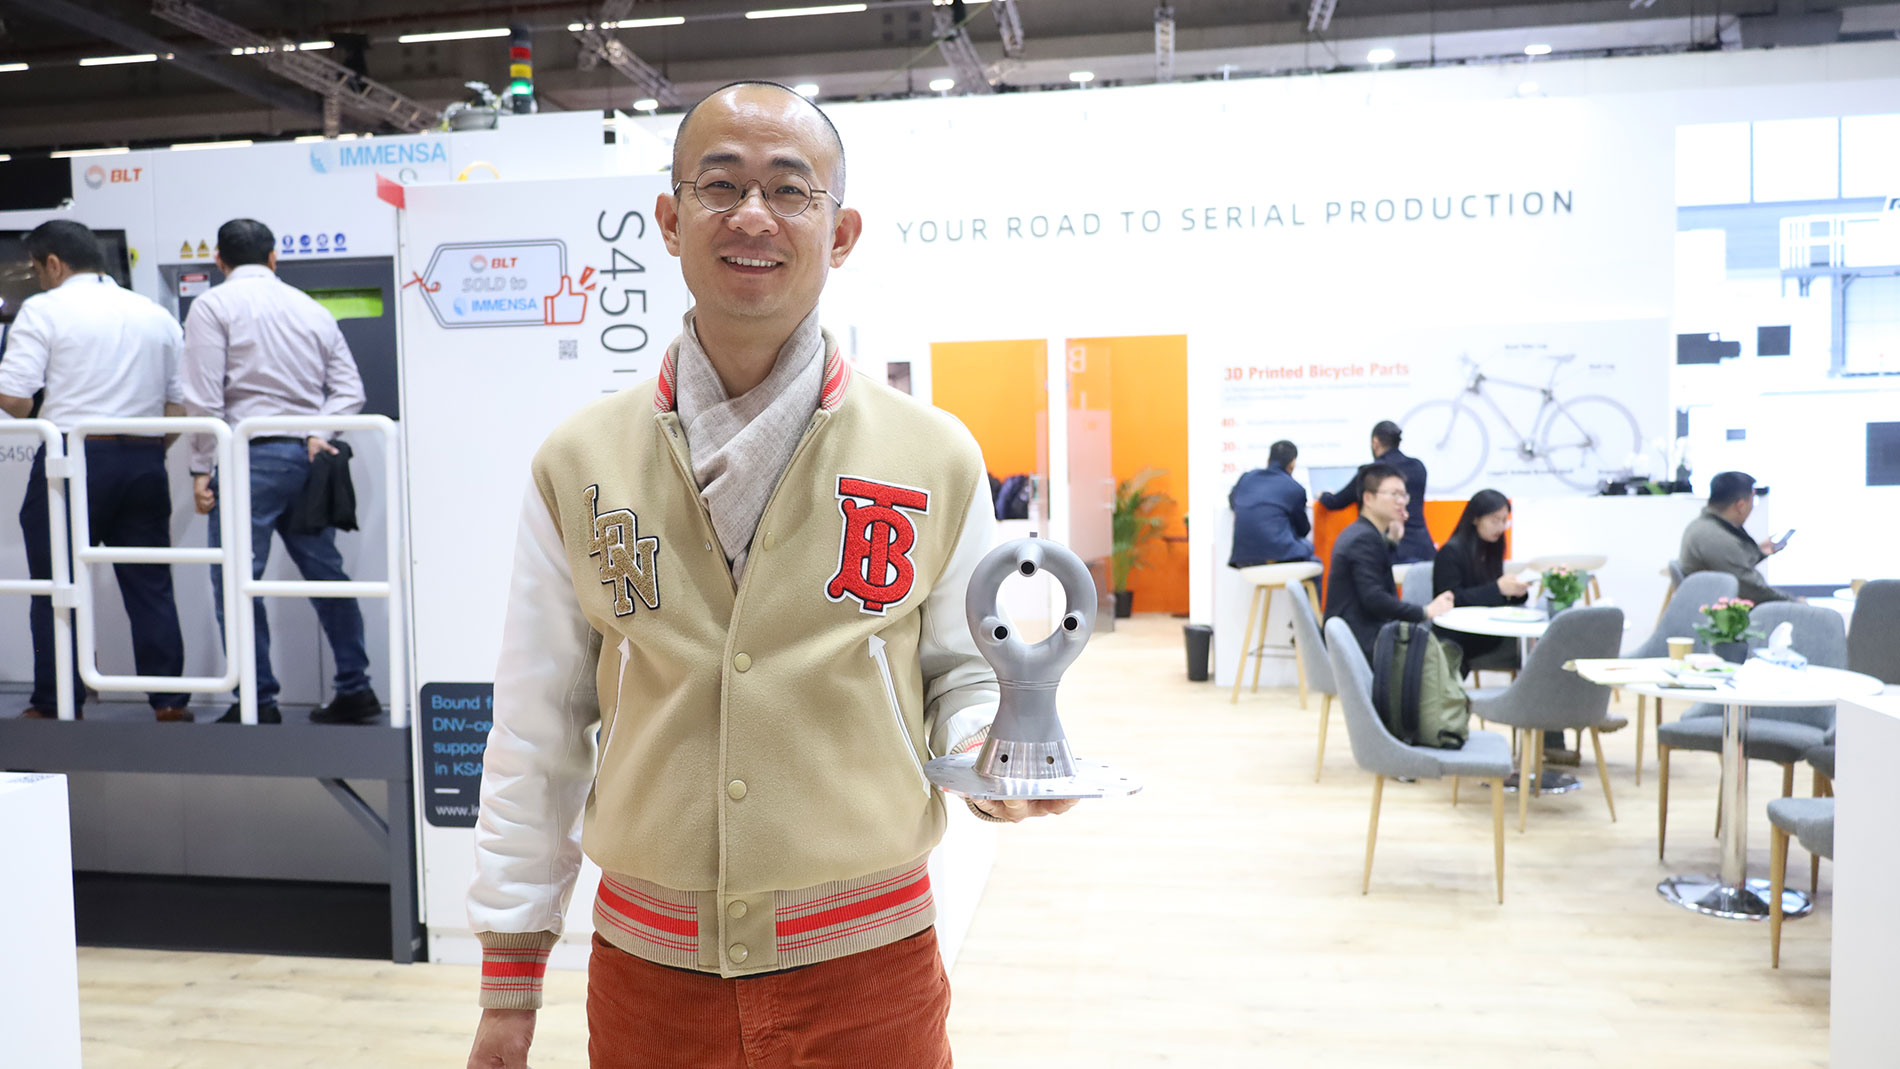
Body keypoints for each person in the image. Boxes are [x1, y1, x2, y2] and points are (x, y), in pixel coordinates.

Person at [466, 82, 1072, 1069]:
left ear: (840, 233)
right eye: (720, 185)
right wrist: (509, 982)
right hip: (649, 969)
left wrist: (988, 752)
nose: (752, 215)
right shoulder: (578, 461)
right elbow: (538, 724)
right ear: (670, 219)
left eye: (790, 190)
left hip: (869, 960)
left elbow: (965, 671)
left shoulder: (932, 453)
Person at [181, 218, 379, 725]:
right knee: (326, 576)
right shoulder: (309, 308)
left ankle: (257, 699)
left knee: (237, 580)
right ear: (274, 258)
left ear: (220, 261)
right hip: (309, 461)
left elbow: (203, 399)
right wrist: (321, 432)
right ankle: (356, 688)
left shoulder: (213, 305)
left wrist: (200, 469)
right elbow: (350, 391)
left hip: (249, 459)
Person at [0, 221, 190, 722]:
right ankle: (170, 703)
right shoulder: (153, 312)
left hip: (71, 460)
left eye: (37, 269)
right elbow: (178, 406)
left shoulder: (45, 309)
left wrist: (38, 416)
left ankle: (57, 702)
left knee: (55, 584)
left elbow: (14, 396)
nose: (39, 279)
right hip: (145, 462)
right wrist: (149, 451)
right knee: (151, 585)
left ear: (54, 264)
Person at [1325, 462, 1453, 659]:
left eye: (1403, 495)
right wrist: (1425, 611)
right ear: (1368, 498)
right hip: (1360, 642)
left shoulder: (1364, 533)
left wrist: (1392, 540)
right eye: (1394, 494)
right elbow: (1375, 598)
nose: (1401, 501)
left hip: (1361, 634)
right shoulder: (1363, 538)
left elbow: (1377, 574)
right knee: (1440, 649)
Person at [1431, 489, 1529, 670]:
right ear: (1475, 518)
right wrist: (1498, 589)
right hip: (1457, 632)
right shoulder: (1451, 551)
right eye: (1494, 520)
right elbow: (1452, 598)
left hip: (1487, 629)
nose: (1500, 527)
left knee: (1528, 649)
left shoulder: (1492, 548)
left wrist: (1516, 592)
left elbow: (1492, 596)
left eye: (1504, 520)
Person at [1319, 419, 1435, 563]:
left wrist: (1323, 495)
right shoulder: (1418, 467)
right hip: (1424, 549)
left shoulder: (1373, 474)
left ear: (1375, 442)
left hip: (1391, 551)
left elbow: (1336, 502)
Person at [1679, 470, 1787, 605]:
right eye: (1752, 499)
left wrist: (1759, 552)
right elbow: (1753, 590)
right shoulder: (1715, 538)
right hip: (1720, 613)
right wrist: (1794, 602)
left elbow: (1731, 564)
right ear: (1741, 506)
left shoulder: (1705, 526)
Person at [1228, 439, 1312, 566]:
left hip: (1242, 559)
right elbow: (1303, 530)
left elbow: (1233, 501)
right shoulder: (1295, 488)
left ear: (1269, 459)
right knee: (1309, 549)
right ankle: (1299, 586)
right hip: (1279, 555)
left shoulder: (1246, 478)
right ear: (1292, 463)